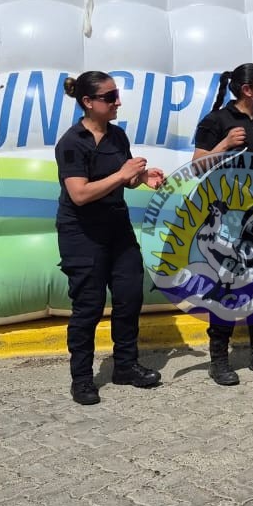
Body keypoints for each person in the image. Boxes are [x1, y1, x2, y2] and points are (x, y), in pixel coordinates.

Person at [55, 71, 167, 406]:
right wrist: (122, 174)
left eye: (117, 94)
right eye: (109, 97)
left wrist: (142, 177)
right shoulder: (72, 143)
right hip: (82, 232)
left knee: (130, 296)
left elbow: (123, 181)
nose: (117, 101)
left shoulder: (117, 136)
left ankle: (126, 365)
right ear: (88, 103)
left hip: (117, 227)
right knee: (88, 306)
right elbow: (79, 194)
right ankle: (83, 379)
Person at [192, 63, 253, 386]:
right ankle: (219, 359)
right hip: (227, 216)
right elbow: (196, 167)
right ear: (247, 90)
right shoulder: (218, 121)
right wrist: (225, 143)